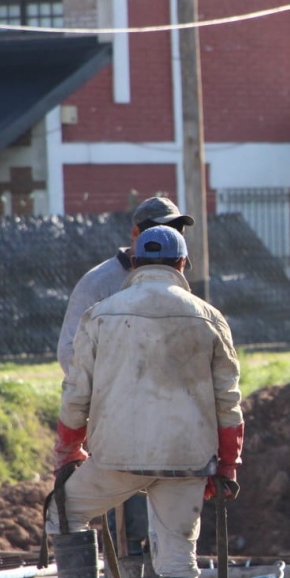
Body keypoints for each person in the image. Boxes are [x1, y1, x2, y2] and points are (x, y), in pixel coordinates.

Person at [47, 225, 244, 578]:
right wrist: (228, 466)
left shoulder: (99, 315)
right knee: (178, 559)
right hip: (188, 459)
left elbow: (76, 395)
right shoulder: (211, 318)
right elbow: (228, 403)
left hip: (116, 457)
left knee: (63, 515)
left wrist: (70, 450)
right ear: (183, 264)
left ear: (134, 262)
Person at [56, 195, 195, 557]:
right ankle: (130, 573)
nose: (169, 236)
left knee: (173, 528)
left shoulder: (178, 283)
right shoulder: (101, 283)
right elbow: (70, 353)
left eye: (175, 229)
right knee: (126, 520)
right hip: (120, 419)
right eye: (157, 230)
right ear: (136, 235)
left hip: (169, 421)